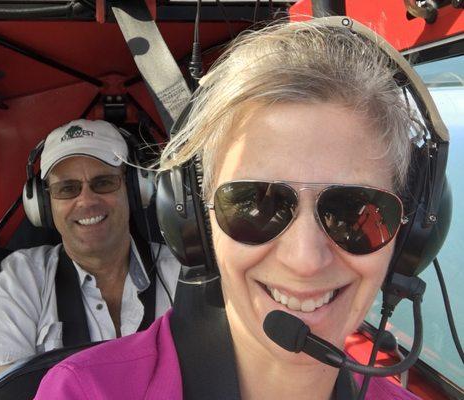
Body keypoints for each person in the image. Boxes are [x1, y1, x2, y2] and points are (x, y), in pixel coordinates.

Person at [34, 18, 433, 400]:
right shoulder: (83, 392)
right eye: (256, 205)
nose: (306, 260)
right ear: (196, 223)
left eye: (352, 211)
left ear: (410, 233)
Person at [0, 119, 181, 392]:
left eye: (103, 182)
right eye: (67, 188)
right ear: (42, 204)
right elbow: (0, 393)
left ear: (136, 189)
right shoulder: (18, 286)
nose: (87, 201)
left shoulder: (182, 274)